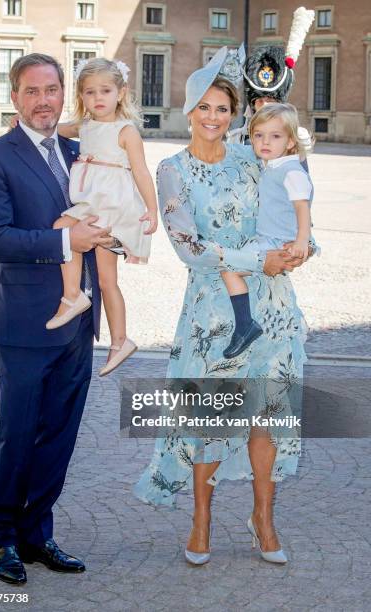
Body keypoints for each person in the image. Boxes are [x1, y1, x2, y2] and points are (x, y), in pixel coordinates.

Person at [134, 46, 311, 566]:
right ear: (189, 109)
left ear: (235, 115)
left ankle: (263, 519)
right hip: (213, 315)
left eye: (223, 109)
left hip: (274, 310)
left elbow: (290, 206)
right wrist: (261, 260)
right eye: (204, 107)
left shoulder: (251, 156)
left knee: (267, 416)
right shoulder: (172, 169)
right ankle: (201, 520)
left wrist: (301, 248)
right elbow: (188, 246)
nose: (213, 117)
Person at [0, 53, 115, 585]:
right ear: (15, 98)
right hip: (26, 326)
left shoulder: (81, 153)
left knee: (61, 434)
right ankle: (4, 537)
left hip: (78, 323)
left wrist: (115, 232)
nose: (44, 100)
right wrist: (64, 241)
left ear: (63, 94)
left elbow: (107, 211)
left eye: (52, 90)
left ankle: (38, 533)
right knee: (18, 432)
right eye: (32, 92)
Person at [45, 57, 158, 376]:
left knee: (62, 226)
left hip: (109, 204)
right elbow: (52, 127)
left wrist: (152, 209)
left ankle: (73, 296)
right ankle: (120, 341)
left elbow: (141, 172)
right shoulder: (84, 126)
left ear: (121, 93)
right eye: (89, 92)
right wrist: (19, 124)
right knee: (108, 280)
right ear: (81, 96)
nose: (98, 98)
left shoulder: (126, 131)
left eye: (105, 91)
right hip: (95, 202)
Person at [222, 102, 313, 359]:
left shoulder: (291, 171)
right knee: (231, 268)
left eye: (275, 136)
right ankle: (245, 325)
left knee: (229, 268)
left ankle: (245, 326)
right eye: (259, 135)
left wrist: (302, 241)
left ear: (291, 142)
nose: (265, 142)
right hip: (267, 237)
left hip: (277, 241)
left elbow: (302, 208)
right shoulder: (272, 166)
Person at [228, 6, 315, 153]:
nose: (265, 106)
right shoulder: (237, 140)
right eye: (260, 100)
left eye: (270, 99)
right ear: (252, 103)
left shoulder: (297, 138)